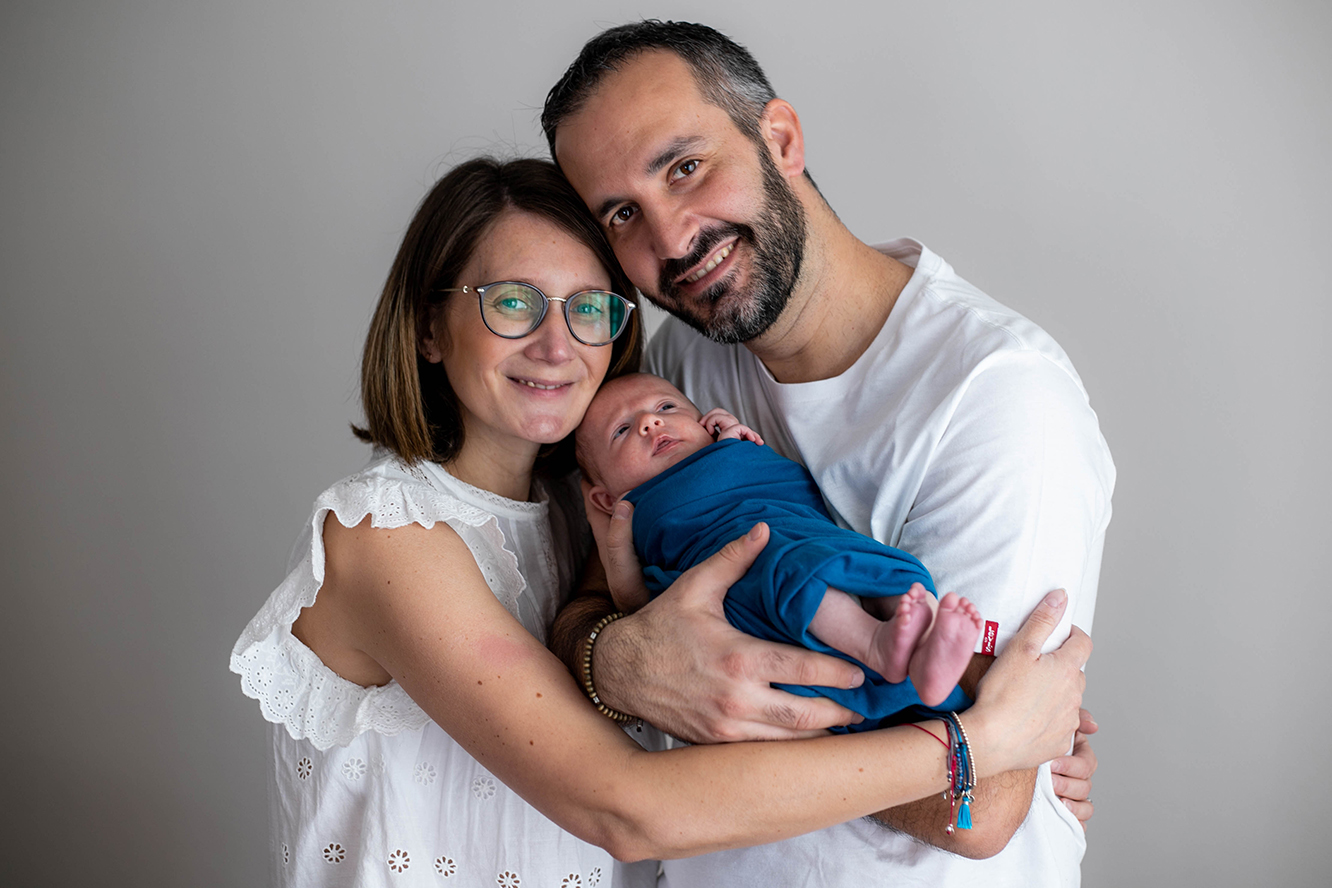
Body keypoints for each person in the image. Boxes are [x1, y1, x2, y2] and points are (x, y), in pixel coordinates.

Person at [230, 157, 1090, 887]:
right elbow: (627, 809)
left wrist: (1036, 768)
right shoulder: (387, 537)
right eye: (513, 303)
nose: (557, 345)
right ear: (428, 327)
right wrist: (982, 743)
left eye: (588, 307)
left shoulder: (597, 519)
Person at [542, 20, 1115, 885]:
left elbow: (977, 805)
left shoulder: (995, 395)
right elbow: (594, 604)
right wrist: (620, 664)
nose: (671, 239)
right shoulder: (681, 367)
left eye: (685, 167)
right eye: (622, 213)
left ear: (780, 139)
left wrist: (710, 696)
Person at [577, 371, 983, 714]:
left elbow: (776, 483)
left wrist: (734, 441)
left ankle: (928, 646)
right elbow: (656, 595)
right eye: (622, 430)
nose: (650, 422)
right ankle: (876, 645)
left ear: (706, 422)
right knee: (793, 570)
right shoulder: (634, 512)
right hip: (754, 569)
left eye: (667, 407)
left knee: (888, 567)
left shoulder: (733, 446)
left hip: (809, 534)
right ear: (606, 499)